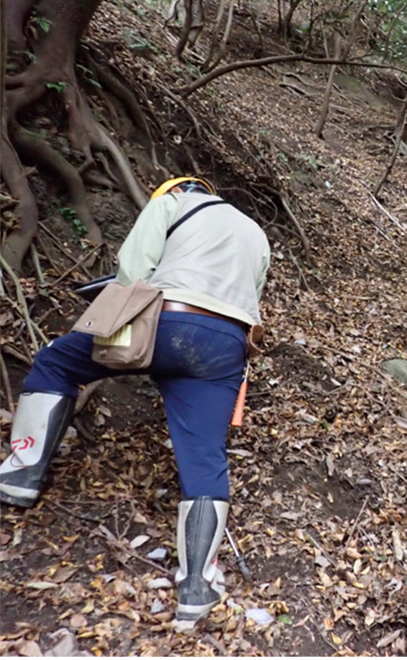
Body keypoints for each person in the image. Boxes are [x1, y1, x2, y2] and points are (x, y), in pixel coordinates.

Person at [0, 176, 271, 621]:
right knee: (205, 455)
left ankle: (21, 472)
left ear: (176, 189)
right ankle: (197, 587)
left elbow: (132, 270)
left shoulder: (172, 204)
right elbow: (251, 301)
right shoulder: (256, 235)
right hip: (225, 346)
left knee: (56, 362)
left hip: (165, 319)